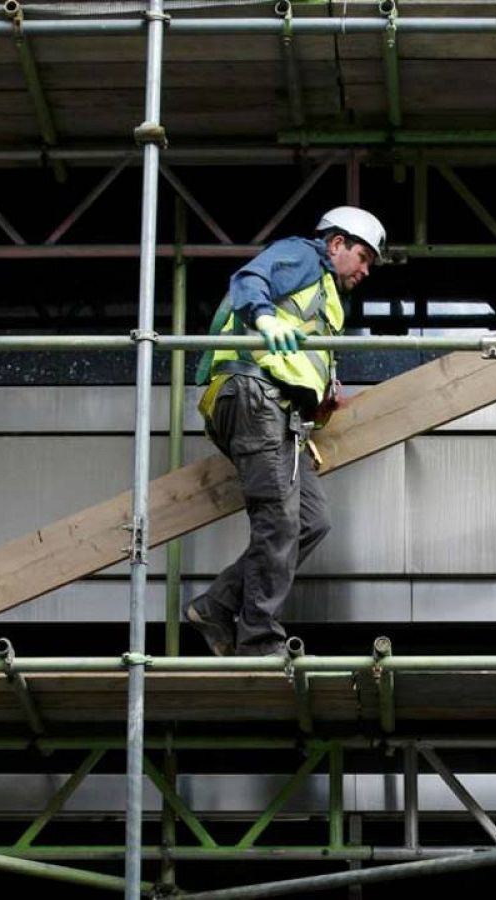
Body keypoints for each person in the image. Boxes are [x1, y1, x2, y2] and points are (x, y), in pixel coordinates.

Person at [184, 206, 386, 656]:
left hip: (282, 412)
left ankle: (216, 606)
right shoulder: (303, 256)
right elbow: (247, 281)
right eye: (364, 256)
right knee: (278, 522)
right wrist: (264, 318)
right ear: (337, 244)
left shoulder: (327, 298)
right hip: (255, 395)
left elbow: (298, 361)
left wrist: (322, 400)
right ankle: (257, 640)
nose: (366, 269)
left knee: (311, 521)